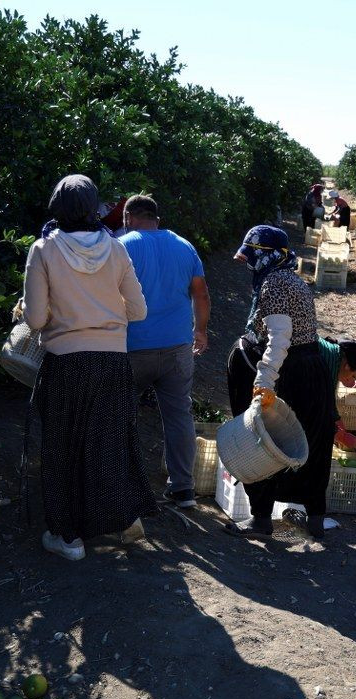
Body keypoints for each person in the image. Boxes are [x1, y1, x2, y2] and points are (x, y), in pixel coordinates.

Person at [22, 174, 157, 560]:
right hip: (113, 362)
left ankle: (68, 538)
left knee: (62, 447)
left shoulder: (43, 249)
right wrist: (104, 313)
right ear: (95, 207)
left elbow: (33, 319)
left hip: (66, 363)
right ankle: (121, 520)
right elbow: (139, 310)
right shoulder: (115, 250)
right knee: (109, 443)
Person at [224, 225, 335, 540]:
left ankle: (261, 520)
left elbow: (279, 339)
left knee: (264, 441)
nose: (247, 264)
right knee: (311, 442)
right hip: (312, 368)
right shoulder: (294, 279)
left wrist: (264, 380)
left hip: (291, 371)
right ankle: (315, 519)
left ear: (267, 257)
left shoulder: (273, 284)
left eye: (251, 257)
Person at [119, 194, 211, 509]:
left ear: (129, 217)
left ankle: (122, 488)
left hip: (132, 347)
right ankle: (183, 489)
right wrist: (200, 330)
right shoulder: (184, 246)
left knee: (121, 416)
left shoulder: (123, 246)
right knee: (178, 416)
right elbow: (201, 294)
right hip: (176, 347)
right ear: (156, 218)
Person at [317, 336, 356, 451]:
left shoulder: (336, 358)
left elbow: (329, 403)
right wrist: (341, 436)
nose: (352, 383)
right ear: (348, 366)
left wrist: (338, 421)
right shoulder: (328, 366)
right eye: (354, 376)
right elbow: (316, 411)